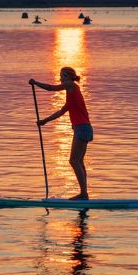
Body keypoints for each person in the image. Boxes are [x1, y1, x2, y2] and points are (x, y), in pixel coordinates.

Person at [29, 67, 93, 200]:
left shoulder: (71, 85)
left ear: (69, 77)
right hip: (84, 128)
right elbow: (60, 112)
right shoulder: (71, 96)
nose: (60, 78)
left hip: (82, 128)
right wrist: (44, 121)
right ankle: (84, 193)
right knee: (78, 161)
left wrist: (35, 83)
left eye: (62, 75)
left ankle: (83, 194)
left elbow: (51, 88)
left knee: (74, 161)